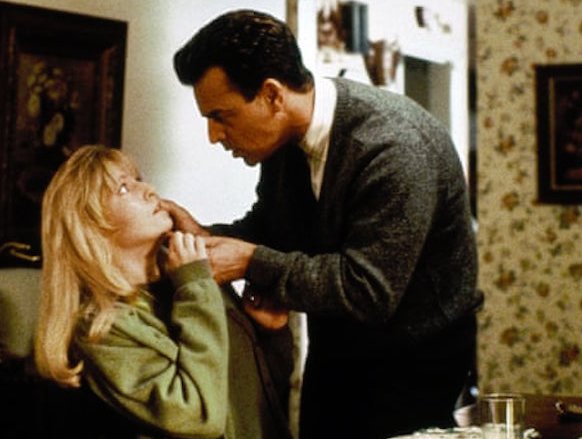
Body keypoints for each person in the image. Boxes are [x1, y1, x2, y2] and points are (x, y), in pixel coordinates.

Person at [166, 9, 484, 439]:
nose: (214, 135)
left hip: (415, 360)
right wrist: (207, 237)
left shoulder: (393, 148)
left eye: (221, 116)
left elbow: (368, 290)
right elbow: (274, 227)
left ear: (272, 95)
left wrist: (250, 262)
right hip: (338, 346)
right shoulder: (284, 139)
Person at [34, 145, 293, 439]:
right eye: (123, 188)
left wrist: (271, 335)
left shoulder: (187, 277)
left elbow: (259, 395)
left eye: (138, 179)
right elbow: (200, 418)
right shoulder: (103, 328)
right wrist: (195, 285)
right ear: (91, 228)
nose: (148, 190)